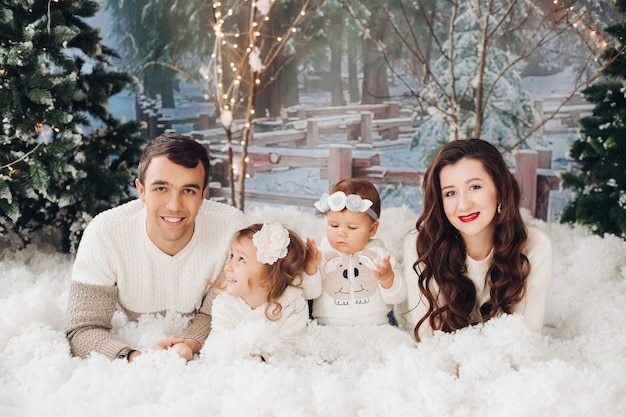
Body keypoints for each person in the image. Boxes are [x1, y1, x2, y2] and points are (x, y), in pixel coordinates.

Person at [64, 132, 249, 362]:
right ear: (141, 190)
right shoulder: (105, 232)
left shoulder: (232, 230)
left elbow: (219, 313)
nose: (174, 205)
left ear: (204, 194)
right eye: (161, 188)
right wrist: (135, 358)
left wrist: (189, 345)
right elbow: (82, 329)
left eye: (188, 190)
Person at [397, 138, 552, 341]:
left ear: (500, 190)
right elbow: (428, 341)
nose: (463, 205)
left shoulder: (534, 246)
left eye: (475, 187)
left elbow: (524, 339)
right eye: (450, 193)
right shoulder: (422, 244)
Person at [302, 178, 406, 326]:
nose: (341, 233)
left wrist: (387, 279)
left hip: (376, 327)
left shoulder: (381, 257)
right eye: (334, 225)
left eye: (352, 227)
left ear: (372, 229)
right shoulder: (321, 255)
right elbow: (308, 294)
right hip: (329, 329)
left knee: (396, 346)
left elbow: (398, 298)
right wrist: (310, 267)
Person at [206, 223, 309, 360]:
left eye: (241, 259)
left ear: (269, 277)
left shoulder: (292, 303)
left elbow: (294, 346)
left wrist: (265, 357)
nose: (228, 266)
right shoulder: (225, 302)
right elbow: (217, 342)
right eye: (232, 256)